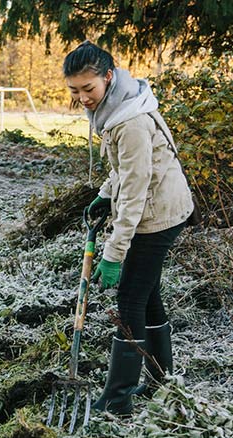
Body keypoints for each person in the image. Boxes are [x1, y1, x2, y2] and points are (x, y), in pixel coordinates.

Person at [62, 41, 194, 415]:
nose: (83, 97)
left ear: (108, 76)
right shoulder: (115, 106)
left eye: (88, 88)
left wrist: (113, 254)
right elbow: (123, 171)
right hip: (156, 205)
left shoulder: (130, 121)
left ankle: (118, 399)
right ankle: (160, 379)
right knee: (147, 295)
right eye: (75, 90)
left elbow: (135, 192)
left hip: (159, 214)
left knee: (130, 300)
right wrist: (105, 194)